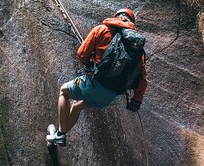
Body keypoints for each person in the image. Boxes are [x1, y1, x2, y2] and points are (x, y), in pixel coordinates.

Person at [46, 8, 147, 146]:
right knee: (77, 106)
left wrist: (90, 64)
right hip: (108, 97)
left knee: (64, 92)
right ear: (132, 23)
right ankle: (59, 134)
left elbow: (81, 53)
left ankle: (60, 135)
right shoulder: (136, 49)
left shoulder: (102, 30)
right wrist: (136, 100)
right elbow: (142, 80)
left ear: (116, 17)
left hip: (93, 83)